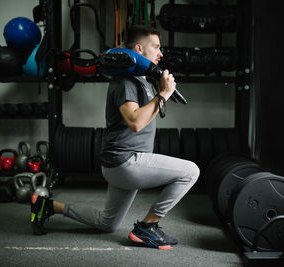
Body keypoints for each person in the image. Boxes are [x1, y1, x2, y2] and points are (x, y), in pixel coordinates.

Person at [30, 25, 200, 250]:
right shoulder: (125, 81)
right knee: (191, 171)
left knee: (107, 223)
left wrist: (160, 92)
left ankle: (47, 206)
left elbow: (144, 117)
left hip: (122, 163)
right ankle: (148, 226)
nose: (161, 53)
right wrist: (163, 95)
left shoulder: (143, 80)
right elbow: (135, 122)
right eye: (156, 47)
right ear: (139, 49)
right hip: (126, 161)